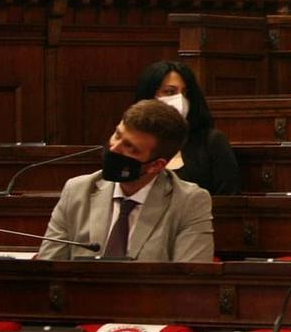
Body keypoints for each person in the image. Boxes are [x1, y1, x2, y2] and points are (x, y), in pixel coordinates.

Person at [37, 100, 214, 262]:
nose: (114, 148)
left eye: (129, 147)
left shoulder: (189, 202)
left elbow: (190, 283)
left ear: (156, 165)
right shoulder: (77, 190)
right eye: (117, 134)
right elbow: (48, 271)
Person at [132, 60, 240, 195]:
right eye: (170, 92)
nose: (180, 100)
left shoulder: (211, 142)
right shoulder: (131, 143)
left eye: (185, 93)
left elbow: (229, 199)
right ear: (149, 96)